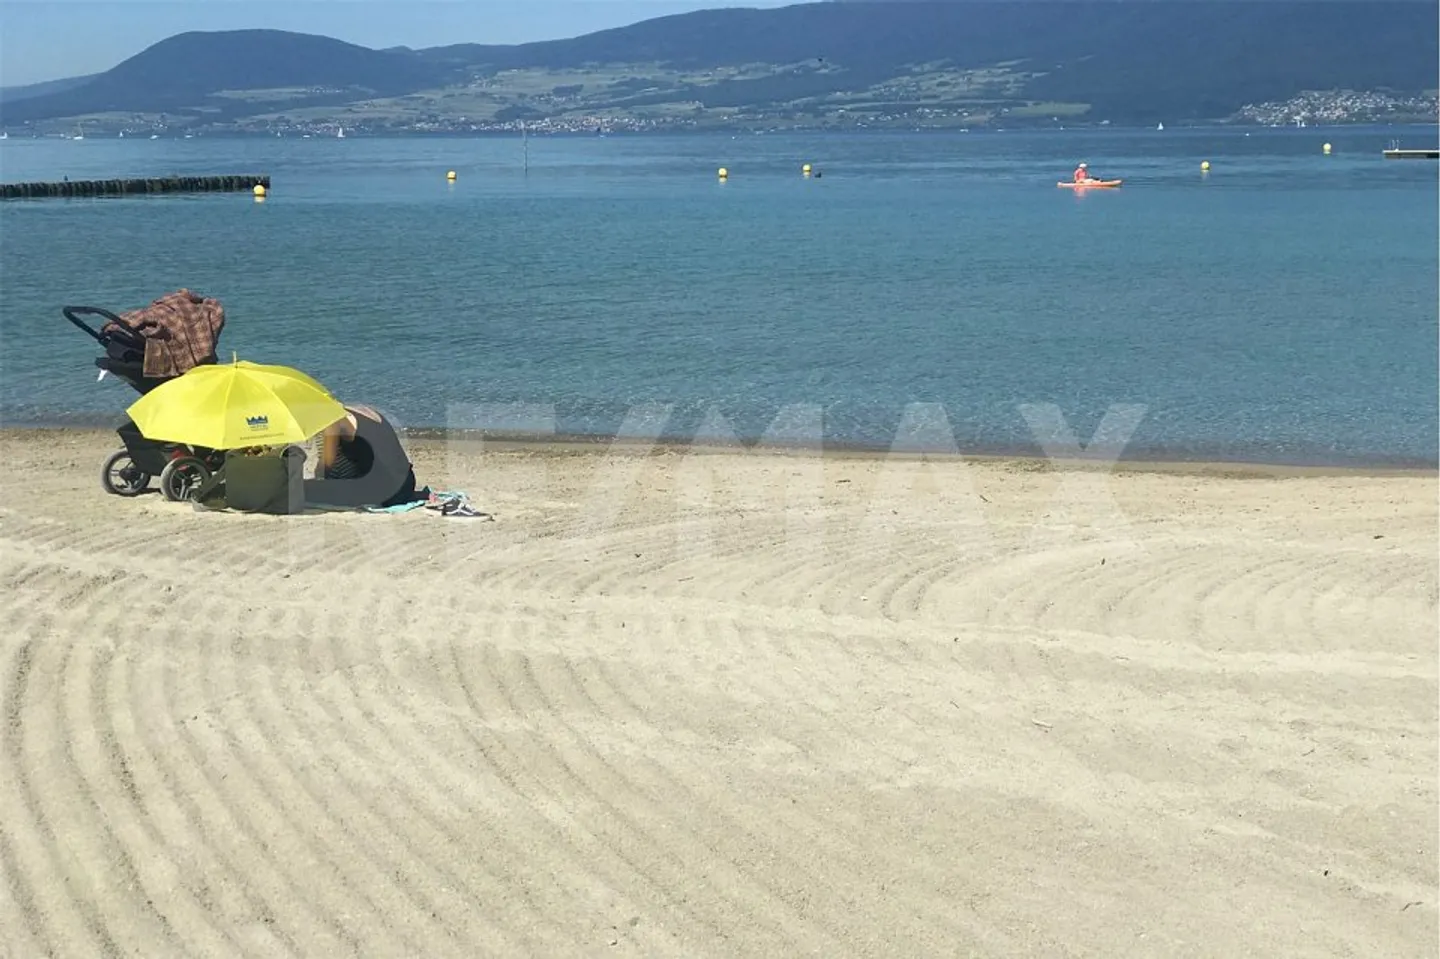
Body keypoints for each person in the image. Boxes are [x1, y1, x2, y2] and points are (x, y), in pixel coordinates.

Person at [317, 404, 418, 507]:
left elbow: (328, 463)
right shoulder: (361, 411)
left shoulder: (333, 420)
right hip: (407, 482)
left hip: (389, 491)